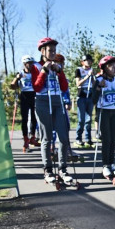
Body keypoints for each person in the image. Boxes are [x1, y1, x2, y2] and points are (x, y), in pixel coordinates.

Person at [31, 37, 73, 184]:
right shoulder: (35, 66)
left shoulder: (57, 66)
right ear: (42, 51)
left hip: (58, 101)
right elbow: (36, 87)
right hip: (42, 101)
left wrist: (59, 71)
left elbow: (64, 87)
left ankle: (62, 169)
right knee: (46, 138)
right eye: (50, 50)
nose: (53, 53)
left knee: (63, 136)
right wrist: (44, 70)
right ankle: (48, 170)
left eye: (54, 50)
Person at [91, 55, 115, 179]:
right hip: (103, 112)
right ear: (105, 68)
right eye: (112, 67)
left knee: (112, 140)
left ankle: (111, 164)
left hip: (114, 112)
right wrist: (98, 87)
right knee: (106, 140)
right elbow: (93, 99)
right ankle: (105, 165)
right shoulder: (98, 79)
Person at [10, 55, 39, 153]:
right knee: (25, 119)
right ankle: (26, 141)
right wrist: (16, 79)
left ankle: (33, 138)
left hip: (34, 95)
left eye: (32, 63)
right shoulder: (21, 73)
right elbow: (12, 86)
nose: (31, 65)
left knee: (35, 118)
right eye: (29, 63)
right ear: (24, 64)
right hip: (24, 96)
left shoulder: (35, 73)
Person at [74, 54, 95, 149]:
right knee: (81, 119)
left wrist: (93, 76)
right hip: (82, 95)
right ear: (82, 62)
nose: (89, 62)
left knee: (89, 119)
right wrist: (87, 76)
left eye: (90, 60)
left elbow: (94, 84)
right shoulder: (79, 70)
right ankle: (78, 138)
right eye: (87, 60)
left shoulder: (92, 70)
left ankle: (88, 139)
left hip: (90, 95)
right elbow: (78, 83)